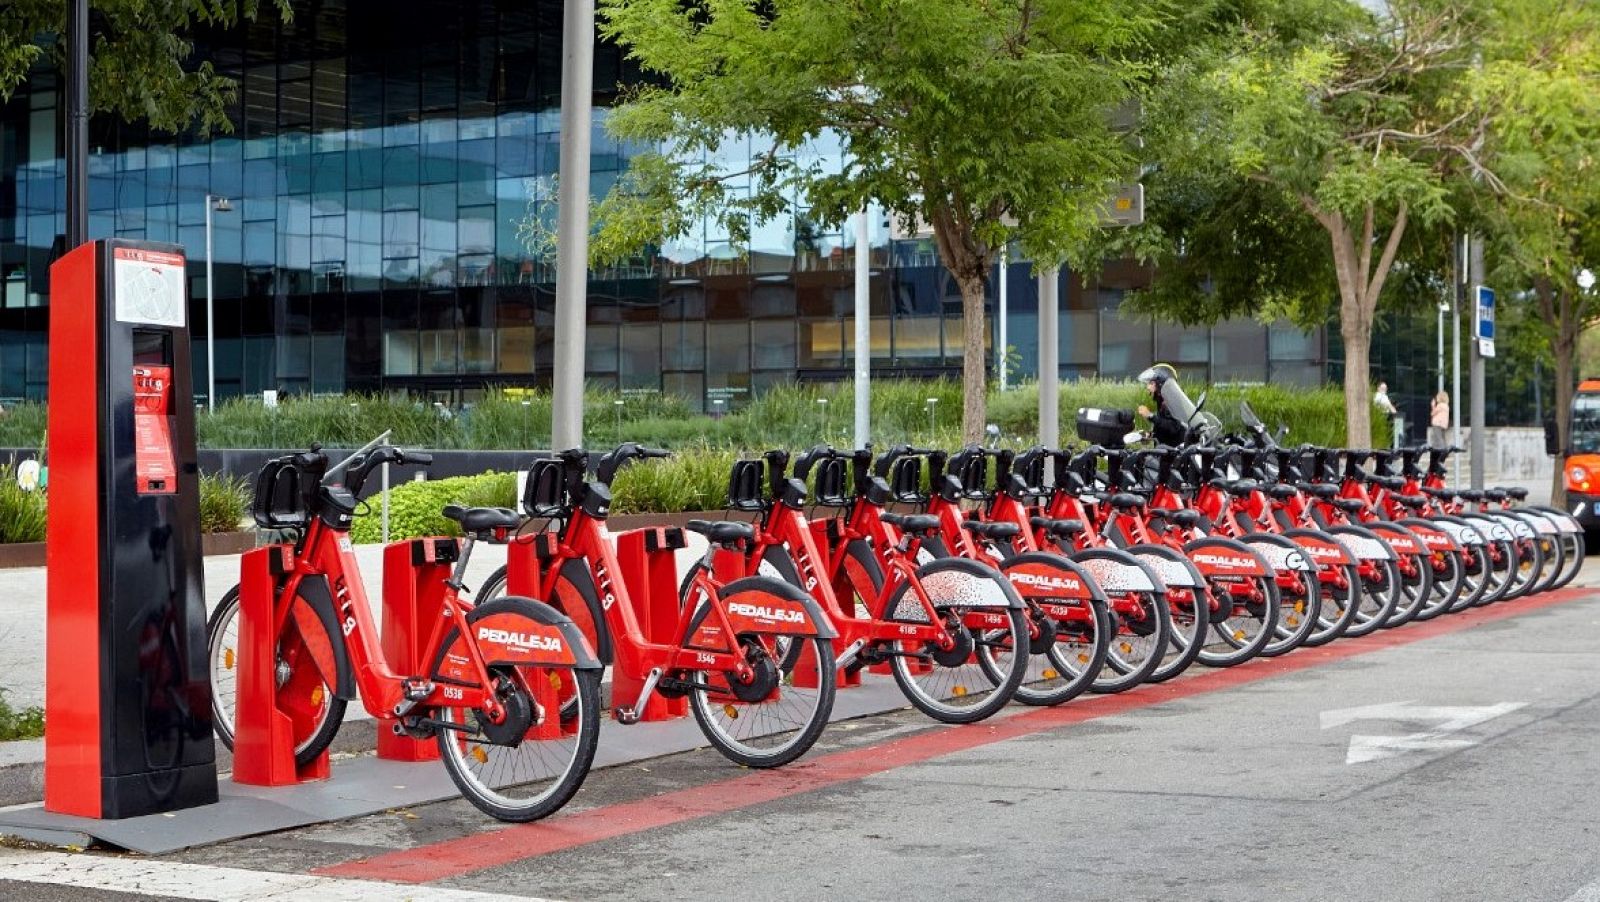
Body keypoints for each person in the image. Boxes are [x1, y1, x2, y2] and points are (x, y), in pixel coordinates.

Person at [1135, 363, 1196, 446]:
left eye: (1151, 383)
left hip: (1175, 452)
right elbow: (1163, 426)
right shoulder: (1162, 401)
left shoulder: (1173, 401)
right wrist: (1151, 435)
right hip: (1165, 450)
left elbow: (1173, 427)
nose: (1148, 387)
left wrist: (1150, 416)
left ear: (1160, 383)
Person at [1374, 382, 1400, 447]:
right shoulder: (1379, 395)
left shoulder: (1384, 396)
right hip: (1381, 417)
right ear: (1378, 388)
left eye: (1385, 388)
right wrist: (1396, 413)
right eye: (1382, 388)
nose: (1384, 390)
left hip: (1386, 417)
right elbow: (1389, 405)